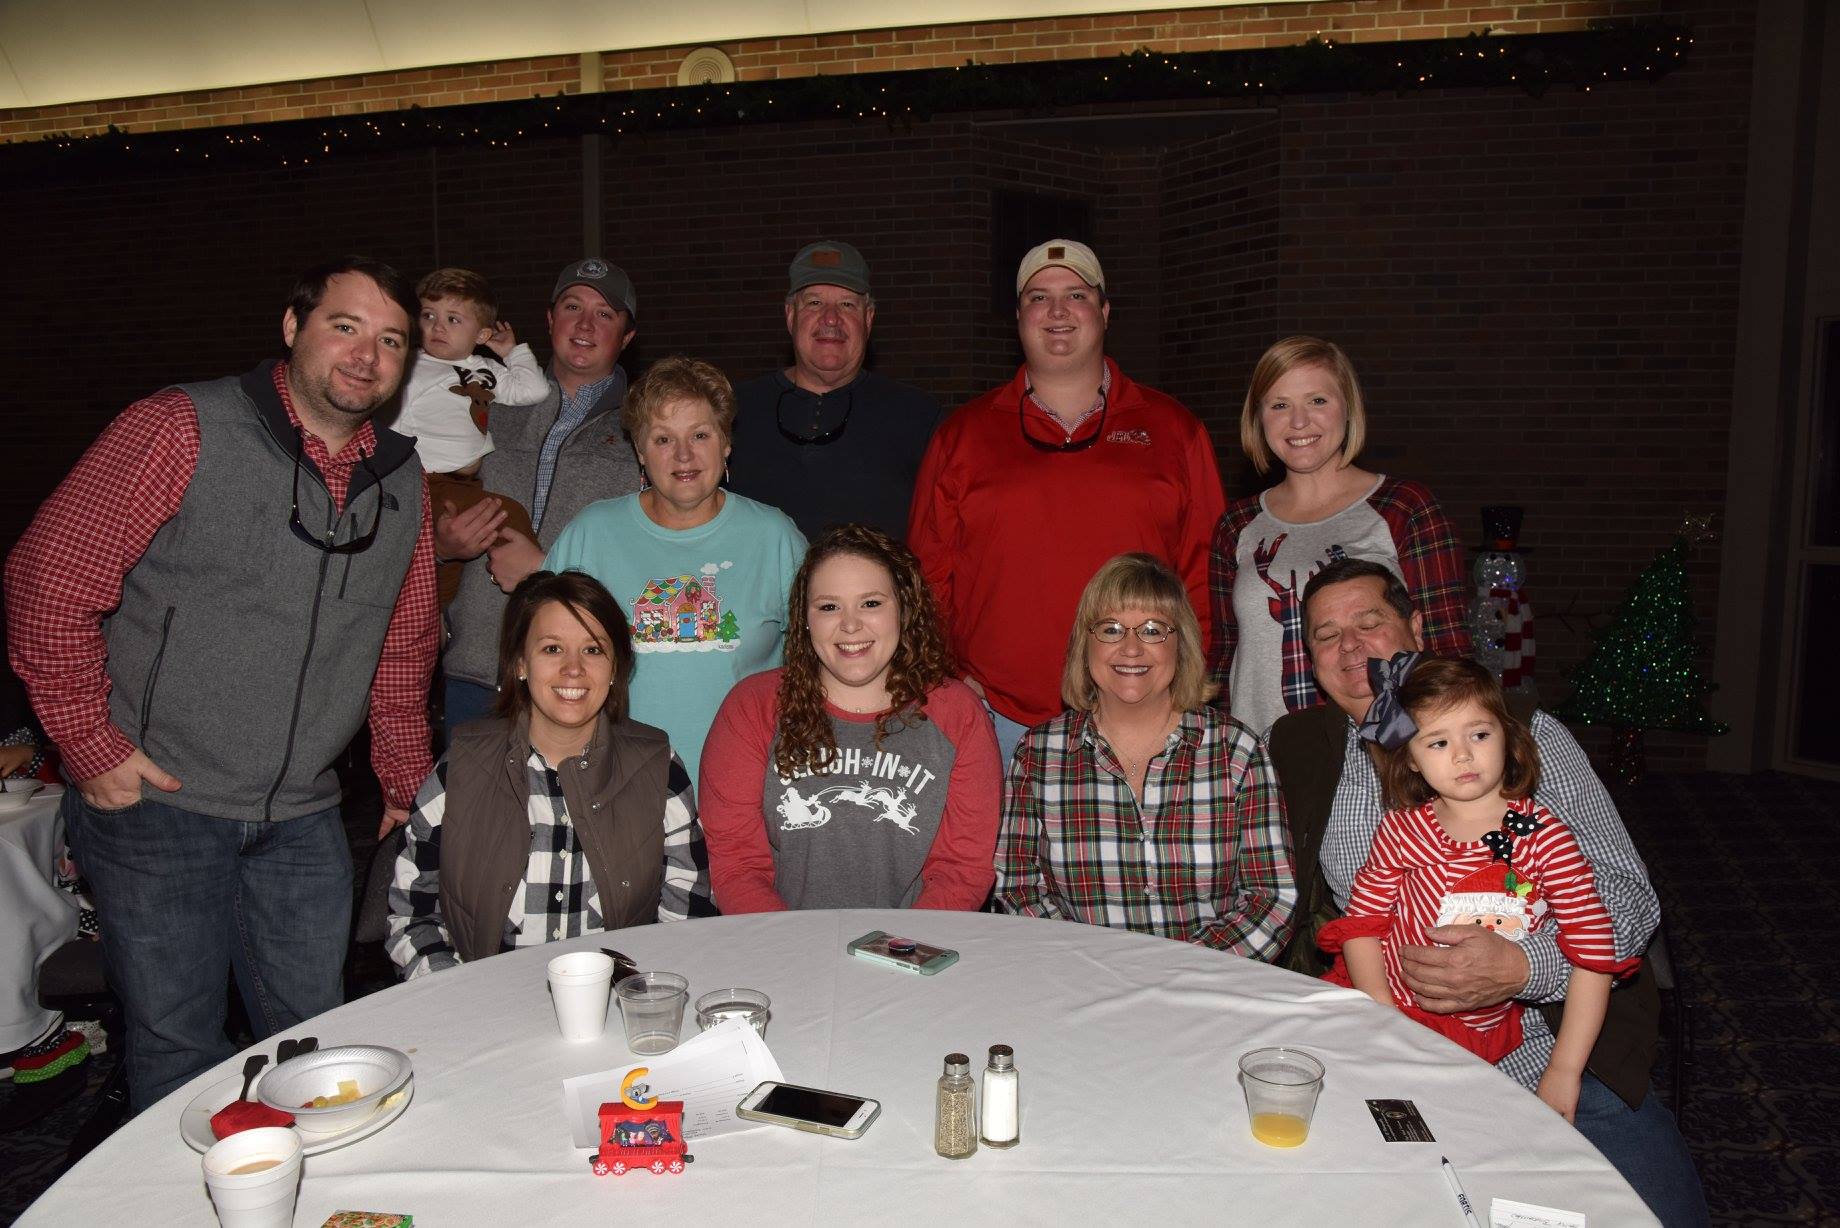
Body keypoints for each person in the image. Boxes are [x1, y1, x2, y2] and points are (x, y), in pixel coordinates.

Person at [4, 256, 437, 1112]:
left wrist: (402, 773)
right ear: (291, 327)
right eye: (344, 327)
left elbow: (403, 640)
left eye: (390, 340)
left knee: (316, 1043)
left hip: (305, 817)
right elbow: (47, 580)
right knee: (176, 1046)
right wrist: (89, 744)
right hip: (159, 806)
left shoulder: (402, 479)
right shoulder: (181, 426)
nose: (366, 356)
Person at [1266, 558, 1708, 1225]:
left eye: (1368, 622)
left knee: (1656, 1217)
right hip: (1399, 1056)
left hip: (1554, 1051)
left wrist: (1526, 966)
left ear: (1415, 626)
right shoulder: (1298, 745)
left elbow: (1625, 892)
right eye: (1327, 635)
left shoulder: (1515, 730)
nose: (1349, 646)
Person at [909, 240, 1226, 764]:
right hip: (995, 721)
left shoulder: (1174, 430)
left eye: (1075, 295)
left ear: (1103, 312)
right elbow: (927, 577)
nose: (1057, 311)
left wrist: (1187, 684)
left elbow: (1205, 573)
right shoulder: (962, 436)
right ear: (1018, 318)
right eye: (1038, 297)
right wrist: (945, 679)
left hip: (1140, 715)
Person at [1319, 655, 1636, 1122]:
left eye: (1479, 734)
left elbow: (1593, 958)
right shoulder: (1402, 828)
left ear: (1507, 737)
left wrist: (1565, 1070)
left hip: (1483, 1033)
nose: (1463, 755)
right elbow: (1361, 924)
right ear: (1410, 757)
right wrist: (1382, 1014)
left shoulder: (1547, 840)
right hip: (1389, 1010)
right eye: (1439, 742)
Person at [387, 571, 715, 979]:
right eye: (553, 648)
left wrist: (641, 1001)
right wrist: (460, 1000)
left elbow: (687, 919)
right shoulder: (461, 769)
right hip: (481, 1003)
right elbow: (412, 916)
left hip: (618, 1008)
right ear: (520, 663)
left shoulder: (659, 769)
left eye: (593, 650)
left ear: (616, 669)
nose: (573, 669)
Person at [994, 554, 1296, 958]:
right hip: (1083, 989)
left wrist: (1182, 974)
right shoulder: (1038, 755)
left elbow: (1272, 900)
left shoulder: (1236, 751)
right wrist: (1094, 971)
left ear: (1181, 643)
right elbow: (1018, 890)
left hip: (1212, 991)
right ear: (1086, 643)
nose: (1131, 648)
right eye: (1111, 629)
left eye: (1153, 629)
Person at [698, 524, 1001, 912]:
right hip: (781, 946)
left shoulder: (958, 713)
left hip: (916, 948)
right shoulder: (752, 707)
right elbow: (738, 865)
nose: (850, 624)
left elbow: (961, 868)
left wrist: (902, 953)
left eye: (871, 603)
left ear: (904, 609)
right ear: (804, 619)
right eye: (828, 606)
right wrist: (795, 953)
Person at [543, 356, 806, 782]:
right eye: (663, 439)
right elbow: (539, 654)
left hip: (744, 783)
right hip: (613, 784)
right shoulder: (591, 533)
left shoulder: (774, 535)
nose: (684, 455)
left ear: (726, 443)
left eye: (700, 435)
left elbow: (816, 663)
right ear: (639, 451)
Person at [1209, 336, 1468, 736]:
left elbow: (1448, 650)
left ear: (1348, 407)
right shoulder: (1237, 524)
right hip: (1256, 760)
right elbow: (1225, 658)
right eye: (1279, 405)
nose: (1298, 422)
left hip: (1376, 749)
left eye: (1318, 401)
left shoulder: (1402, 508)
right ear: (1258, 418)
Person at [437, 257, 644, 731]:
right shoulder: (482, 403)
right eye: (572, 306)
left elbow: (654, 562)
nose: (585, 324)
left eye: (605, 314)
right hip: (476, 669)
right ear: (550, 321)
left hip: (583, 679)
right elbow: (420, 506)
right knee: (475, 805)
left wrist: (545, 571)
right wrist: (441, 549)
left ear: (627, 337)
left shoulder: (646, 429)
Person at [729, 241, 942, 541]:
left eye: (847, 304)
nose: (831, 319)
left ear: (868, 318)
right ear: (791, 315)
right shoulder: (732, 412)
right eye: (814, 303)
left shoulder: (918, 418)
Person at [397, 267, 549, 607]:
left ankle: (430, 623)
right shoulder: (411, 368)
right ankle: (540, 597)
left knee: (450, 571)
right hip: (426, 481)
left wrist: (512, 353)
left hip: (464, 484)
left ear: (481, 334)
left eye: (454, 319)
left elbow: (533, 389)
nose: (438, 326)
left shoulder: (486, 369)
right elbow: (392, 423)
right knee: (510, 515)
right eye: (429, 315)